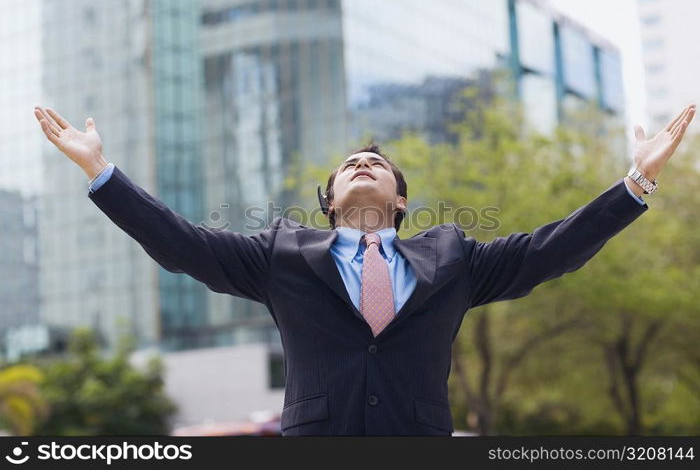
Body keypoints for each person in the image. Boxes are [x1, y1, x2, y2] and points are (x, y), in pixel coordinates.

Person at [33, 103, 695, 436]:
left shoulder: (454, 257)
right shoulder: (279, 256)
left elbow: (552, 249)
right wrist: (101, 172)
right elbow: (179, 243)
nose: (362, 166)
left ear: (399, 200)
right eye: (349, 165)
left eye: (375, 165)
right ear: (328, 200)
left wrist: (635, 183)